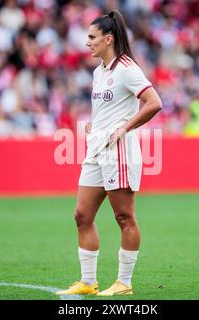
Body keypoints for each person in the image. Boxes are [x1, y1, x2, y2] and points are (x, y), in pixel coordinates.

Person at [56, 10, 162, 296]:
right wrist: (96, 125)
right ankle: (88, 282)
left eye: (92, 37)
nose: (87, 42)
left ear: (108, 38)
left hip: (120, 151)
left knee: (124, 217)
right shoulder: (98, 72)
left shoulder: (127, 68)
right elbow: (109, 107)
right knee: (82, 215)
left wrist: (123, 128)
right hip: (97, 149)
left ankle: (124, 283)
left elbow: (154, 102)